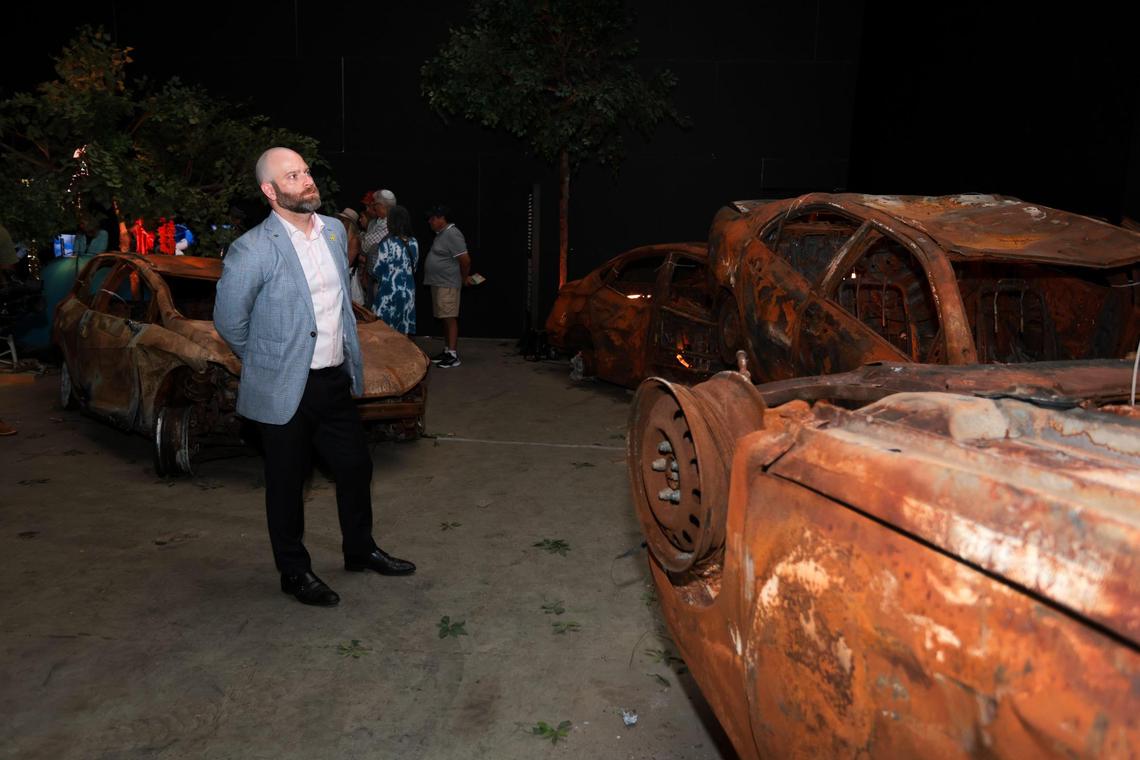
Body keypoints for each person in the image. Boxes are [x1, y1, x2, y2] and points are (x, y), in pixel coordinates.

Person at [213, 147, 415, 608]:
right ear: (270, 191)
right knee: (287, 483)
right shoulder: (253, 249)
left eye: (305, 171)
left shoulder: (332, 232)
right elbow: (229, 322)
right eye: (292, 175)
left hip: (332, 379)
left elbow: (338, 303)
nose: (306, 180)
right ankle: (294, 571)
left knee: (356, 467)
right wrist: (268, 360)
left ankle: (360, 550)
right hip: (284, 385)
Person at [423, 205, 472, 368]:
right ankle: (447, 350)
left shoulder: (452, 233)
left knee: (450, 318)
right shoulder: (442, 234)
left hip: (448, 283)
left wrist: (463, 279)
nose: (429, 221)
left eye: (432, 218)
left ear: (442, 218)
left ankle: (452, 355)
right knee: (444, 317)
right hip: (439, 283)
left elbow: (465, 260)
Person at [372, 205, 418, 334]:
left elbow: (377, 269)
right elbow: (414, 266)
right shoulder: (414, 242)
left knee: (385, 330)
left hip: (389, 292)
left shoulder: (387, 242)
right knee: (403, 330)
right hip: (408, 292)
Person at [361, 189, 396, 306]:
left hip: (384, 278)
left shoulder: (390, 223)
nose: (373, 208)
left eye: (374, 205)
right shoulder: (380, 221)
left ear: (381, 205)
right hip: (375, 276)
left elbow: (366, 246)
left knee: (380, 313)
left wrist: (361, 238)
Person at [334, 207, 366, 305]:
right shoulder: (338, 235)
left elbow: (347, 262)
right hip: (340, 274)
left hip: (348, 277)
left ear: (350, 223)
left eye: (343, 220)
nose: (340, 222)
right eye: (340, 219)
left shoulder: (354, 240)